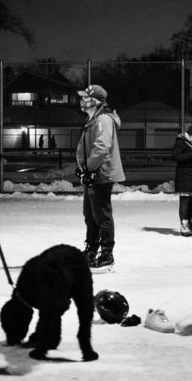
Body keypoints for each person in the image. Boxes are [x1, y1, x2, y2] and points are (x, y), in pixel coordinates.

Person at [76, 84, 125, 273]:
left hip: (102, 173)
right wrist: (83, 168)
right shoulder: (92, 119)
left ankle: (107, 255)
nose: (82, 101)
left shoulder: (103, 119)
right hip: (93, 172)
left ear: (96, 101)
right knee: (90, 215)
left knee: (102, 215)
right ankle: (91, 249)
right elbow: (84, 147)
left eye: (86, 97)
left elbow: (101, 147)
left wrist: (89, 168)